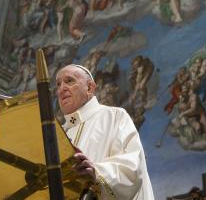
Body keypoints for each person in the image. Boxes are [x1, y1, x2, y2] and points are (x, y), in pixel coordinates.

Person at [56, 64, 154, 199]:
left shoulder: (114, 116)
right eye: (58, 84)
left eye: (69, 81)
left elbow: (132, 167)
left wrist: (97, 173)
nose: (61, 89)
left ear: (90, 87)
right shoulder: (59, 134)